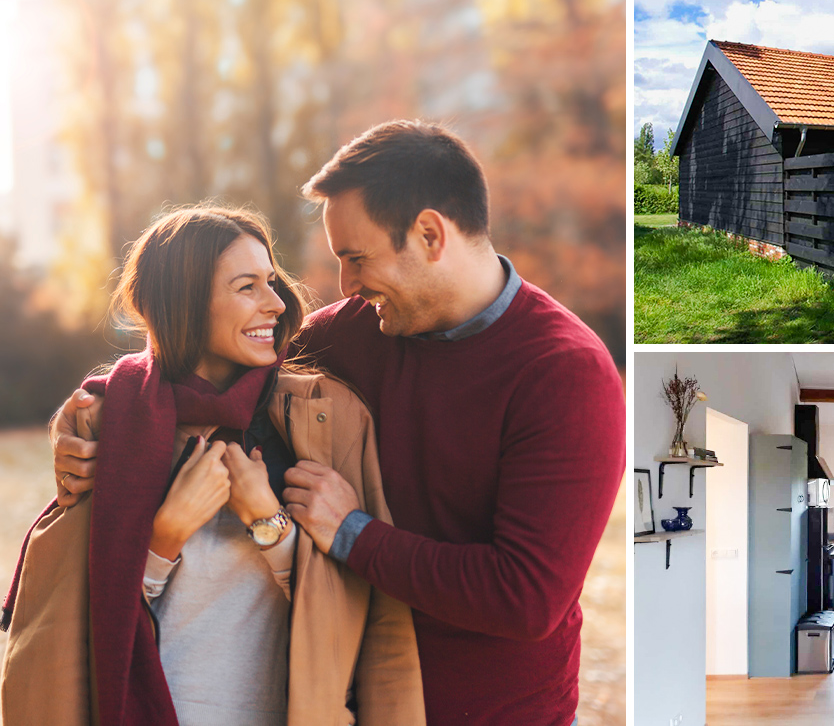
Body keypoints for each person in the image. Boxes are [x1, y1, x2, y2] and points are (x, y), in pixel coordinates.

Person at [50, 121, 625, 726]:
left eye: (357, 258)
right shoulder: (358, 330)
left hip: (493, 711)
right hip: (356, 698)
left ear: (430, 234)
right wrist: (91, 412)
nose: (346, 286)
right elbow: (206, 358)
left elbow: (525, 598)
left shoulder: (564, 374)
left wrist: (351, 532)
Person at [9, 207, 425, 726]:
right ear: (184, 305)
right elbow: (75, 625)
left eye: (271, 282)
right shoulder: (111, 422)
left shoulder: (328, 419)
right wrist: (164, 539)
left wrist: (269, 524)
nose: (275, 303)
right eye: (246, 286)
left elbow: (369, 618)